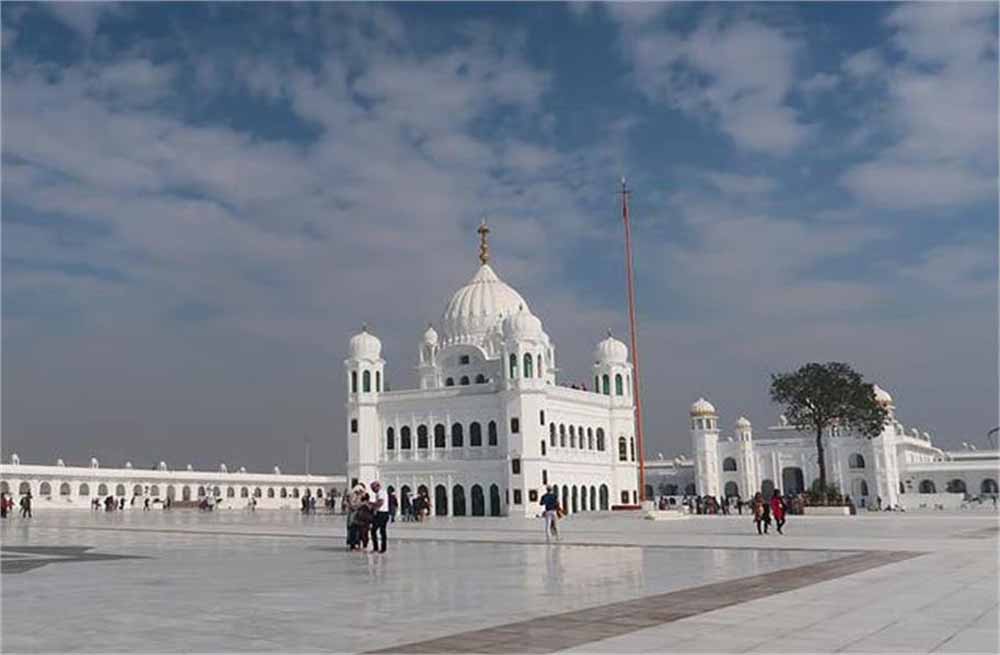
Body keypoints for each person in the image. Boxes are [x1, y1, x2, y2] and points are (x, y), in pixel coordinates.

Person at [369, 480, 390, 553]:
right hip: (385, 513)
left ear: (377, 486)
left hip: (381, 514)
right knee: (382, 531)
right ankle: (383, 548)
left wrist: (373, 506)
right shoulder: (382, 492)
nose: (373, 490)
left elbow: (381, 502)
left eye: (373, 488)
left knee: (373, 530)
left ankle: (376, 548)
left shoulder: (380, 492)